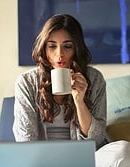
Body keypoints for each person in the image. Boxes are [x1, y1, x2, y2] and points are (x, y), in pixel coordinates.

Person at [13, 14, 107, 149]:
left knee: (124, 151)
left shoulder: (94, 78)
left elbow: (96, 140)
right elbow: (25, 140)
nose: (60, 54)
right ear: (44, 48)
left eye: (67, 46)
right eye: (52, 46)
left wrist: (79, 101)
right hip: (40, 157)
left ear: (76, 49)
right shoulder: (26, 82)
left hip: (82, 156)